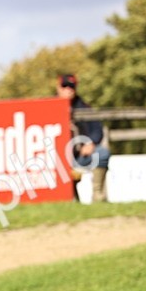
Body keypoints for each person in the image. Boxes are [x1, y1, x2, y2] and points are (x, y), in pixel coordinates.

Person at [57, 74, 111, 202]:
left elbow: (97, 130)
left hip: (79, 157)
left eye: (71, 87)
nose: (68, 90)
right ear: (58, 87)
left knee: (101, 153)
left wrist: (90, 143)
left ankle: (97, 195)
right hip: (57, 159)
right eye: (64, 86)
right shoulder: (47, 108)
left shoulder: (84, 108)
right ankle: (71, 200)